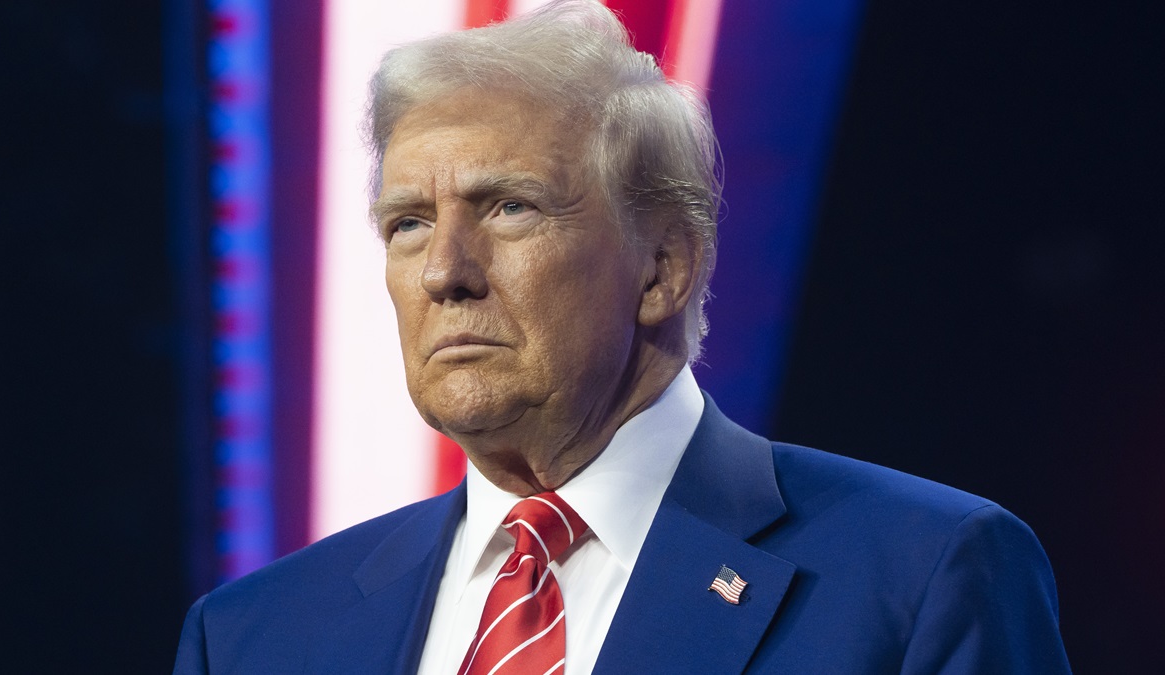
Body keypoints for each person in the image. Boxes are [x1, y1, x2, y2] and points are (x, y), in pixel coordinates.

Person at [173, 1, 1070, 672]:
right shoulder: (257, 635)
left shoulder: (921, 576)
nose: (444, 269)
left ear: (662, 270)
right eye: (407, 222)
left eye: (509, 207)